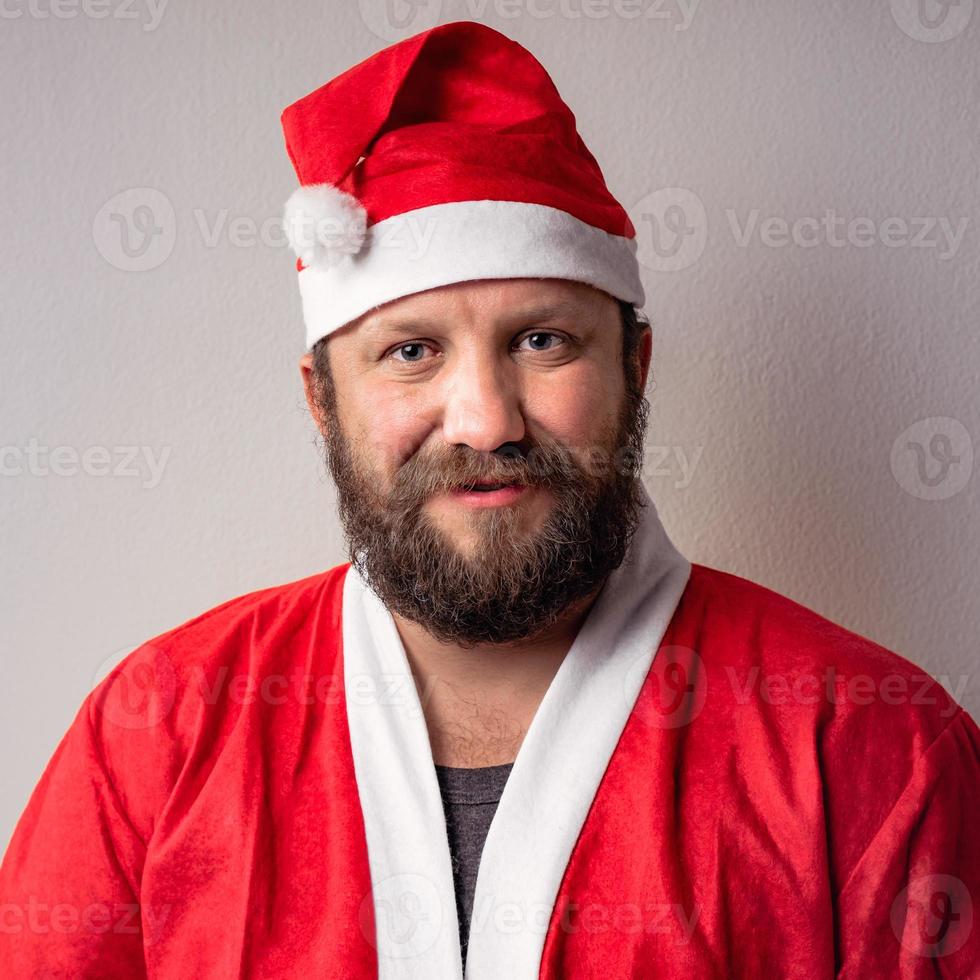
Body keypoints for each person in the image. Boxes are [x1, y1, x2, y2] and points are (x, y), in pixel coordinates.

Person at [1, 20, 977, 980]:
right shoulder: (153, 734)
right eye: (411, 351)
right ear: (321, 397)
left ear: (633, 366)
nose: (484, 420)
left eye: (541, 340)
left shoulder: (874, 751)